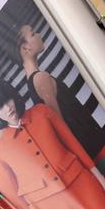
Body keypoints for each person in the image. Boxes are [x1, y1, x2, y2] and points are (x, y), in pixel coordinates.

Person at [0, 78, 105, 209]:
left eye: (8, 100)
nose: (7, 108)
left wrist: (98, 176)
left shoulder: (42, 112)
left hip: (81, 183)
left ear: (14, 97)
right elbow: (9, 192)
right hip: (48, 207)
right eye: (0, 106)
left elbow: (72, 144)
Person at [16, 23, 105, 168]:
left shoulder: (34, 82)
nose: (39, 34)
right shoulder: (40, 79)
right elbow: (62, 128)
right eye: (33, 34)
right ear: (26, 48)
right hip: (95, 151)